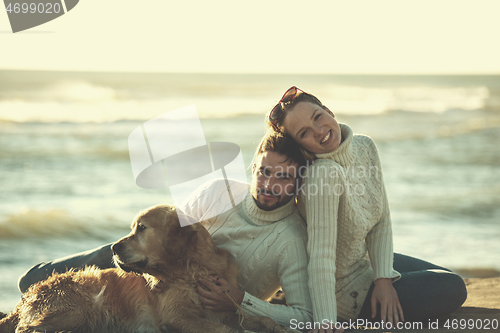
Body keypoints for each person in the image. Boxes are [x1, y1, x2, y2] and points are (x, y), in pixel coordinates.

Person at [18, 131, 313, 328]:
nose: (270, 184)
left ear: (298, 182)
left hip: (172, 281)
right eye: (264, 171)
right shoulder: (220, 191)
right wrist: (160, 274)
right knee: (33, 280)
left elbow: (304, 318)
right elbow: (166, 227)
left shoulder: (292, 239)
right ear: (253, 169)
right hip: (148, 266)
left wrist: (240, 300)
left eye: (284, 177)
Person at [266, 86, 468, 333]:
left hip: (362, 264)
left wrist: (383, 278)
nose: (319, 131)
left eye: (318, 117)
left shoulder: (364, 147)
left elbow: (381, 218)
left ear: (328, 110)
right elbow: (321, 256)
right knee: (453, 287)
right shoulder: (323, 175)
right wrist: (326, 322)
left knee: (444, 275)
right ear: (301, 147)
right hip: (343, 291)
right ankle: (342, 313)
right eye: (304, 133)